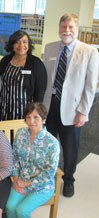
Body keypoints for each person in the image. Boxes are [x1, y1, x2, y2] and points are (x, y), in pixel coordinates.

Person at [43, 13, 99, 197]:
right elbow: (46, 80)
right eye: (63, 27)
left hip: (73, 110)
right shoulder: (50, 48)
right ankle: (49, 177)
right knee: (49, 145)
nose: (66, 30)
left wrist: (83, 111)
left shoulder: (89, 52)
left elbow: (90, 86)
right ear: (59, 28)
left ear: (77, 29)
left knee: (70, 147)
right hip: (50, 106)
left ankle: (68, 180)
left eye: (71, 27)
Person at [6, 102, 60, 218]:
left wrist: (26, 184)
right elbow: (14, 157)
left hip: (42, 186)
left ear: (44, 119)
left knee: (22, 211)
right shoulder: (21, 133)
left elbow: (48, 173)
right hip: (20, 180)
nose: (31, 121)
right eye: (28, 117)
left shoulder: (52, 143)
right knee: (10, 207)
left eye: (36, 117)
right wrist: (16, 179)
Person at [0, 30, 47, 121]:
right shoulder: (5, 61)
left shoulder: (36, 63)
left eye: (24, 42)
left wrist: (35, 112)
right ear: (12, 45)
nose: (21, 45)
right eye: (17, 42)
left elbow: (40, 90)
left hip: (25, 112)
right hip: (5, 110)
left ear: (29, 44)